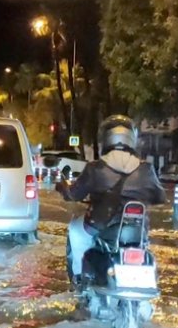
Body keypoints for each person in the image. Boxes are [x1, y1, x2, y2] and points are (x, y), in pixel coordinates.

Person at [56, 115, 167, 289]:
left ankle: (78, 280)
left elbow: (74, 194)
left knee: (75, 230)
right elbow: (160, 197)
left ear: (106, 138)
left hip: (102, 225)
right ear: (132, 138)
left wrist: (63, 188)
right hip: (137, 232)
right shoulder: (146, 169)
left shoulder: (96, 168)